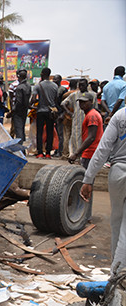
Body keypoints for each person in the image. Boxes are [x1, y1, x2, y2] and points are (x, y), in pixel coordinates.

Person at [80, 107, 126, 276]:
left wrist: (88, 178)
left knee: (117, 223)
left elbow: (103, 149)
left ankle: (116, 271)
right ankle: (119, 274)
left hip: (118, 172)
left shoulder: (120, 116)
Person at [68, 92, 103, 169]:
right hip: (90, 152)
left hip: (91, 152)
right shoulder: (91, 114)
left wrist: (76, 153)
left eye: (85, 102)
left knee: (86, 178)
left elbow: (91, 137)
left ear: (91, 102)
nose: (82, 104)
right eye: (80, 102)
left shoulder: (92, 116)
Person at [30, 67, 58, 158]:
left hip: (41, 111)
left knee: (40, 132)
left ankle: (40, 152)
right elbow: (55, 99)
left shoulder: (38, 86)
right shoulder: (55, 86)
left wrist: (30, 104)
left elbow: (33, 99)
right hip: (51, 112)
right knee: (50, 132)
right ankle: (48, 153)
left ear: (42, 74)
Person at [62, 78, 89, 157]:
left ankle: (84, 156)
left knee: (87, 138)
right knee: (76, 138)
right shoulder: (74, 95)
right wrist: (70, 113)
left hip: (88, 120)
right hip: (76, 120)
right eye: (79, 85)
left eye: (83, 85)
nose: (81, 87)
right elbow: (63, 103)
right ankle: (76, 156)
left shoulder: (92, 95)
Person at [6, 69, 30, 145]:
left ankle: (20, 149)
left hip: (18, 111)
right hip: (24, 110)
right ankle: (22, 148)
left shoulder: (19, 87)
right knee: (22, 128)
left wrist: (12, 112)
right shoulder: (28, 86)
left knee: (18, 130)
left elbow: (18, 102)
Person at [53, 74, 68, 157]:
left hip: (60, 114)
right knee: (55, 134)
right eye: (54, 79)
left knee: (60, 134)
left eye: (56, 79)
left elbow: (64, 103)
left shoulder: (63, 90)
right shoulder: (53, 89)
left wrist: (62, 114)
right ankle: (56, 150)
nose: (55, 80)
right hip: (55, 114)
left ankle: (60, 151)